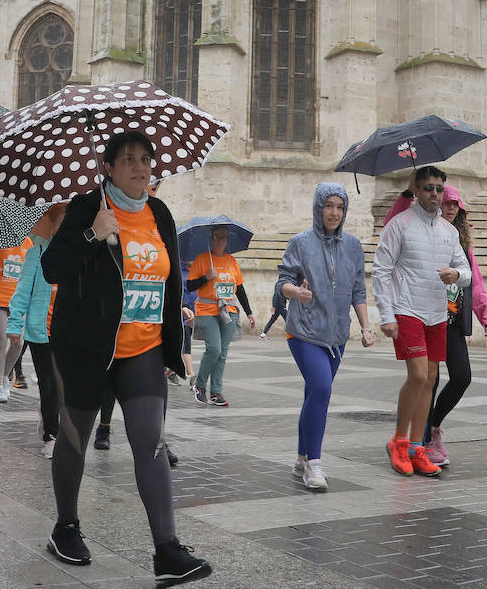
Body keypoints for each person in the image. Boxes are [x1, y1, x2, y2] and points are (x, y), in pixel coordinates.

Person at [41, 131, 210, 585]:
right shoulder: (86, 207)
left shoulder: (159, 212)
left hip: (144, 349)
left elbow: (169, 279)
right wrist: (92, 235)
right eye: (128, 159)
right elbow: (52, 268)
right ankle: (66, 527)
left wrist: (176, 341)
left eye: (145, 160)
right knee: (74, 437)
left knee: (150, 442)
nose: (139, 167)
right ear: (109, 168)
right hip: (88, 350)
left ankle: (167, 551)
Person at [373, 165, 471, 479]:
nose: (434, 194)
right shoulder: (398, 225)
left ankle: (418, 447)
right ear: (415, 189)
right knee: (417, 375)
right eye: (428, 187)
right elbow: (382, 271)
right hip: (407, 310)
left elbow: (465, 270)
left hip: (437, 314)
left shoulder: (449, 231)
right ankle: (398, 442)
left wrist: (457, 275)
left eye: (439, 189)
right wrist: (386, 315)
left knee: (430, 379)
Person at [276, 183, 374, 491]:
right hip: (303, 330)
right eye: (328, 206)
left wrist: (366, 326)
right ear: (319, 208)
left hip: (336, 334)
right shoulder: (300, 243)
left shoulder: (354, 246)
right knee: (321, 389)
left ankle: (302, 457)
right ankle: (314, 466)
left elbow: (358, 289)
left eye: (340, 207)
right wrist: (297, 292)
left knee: (313, 395)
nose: (334, 212)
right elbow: (283, 282)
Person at [421, 186, 487, 468]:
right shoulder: (425, 236)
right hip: (428, 318)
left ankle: (435, 426)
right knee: (430, 382)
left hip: (451, 322)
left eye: (457, 206)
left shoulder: (462, 247)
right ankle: (426, 439)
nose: (452, 209)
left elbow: (475, 283)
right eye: (448, 203)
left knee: (462, 377)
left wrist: (486, 315)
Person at [5, 202, 67, 457]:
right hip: (41, 331)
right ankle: (52, 434)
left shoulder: (80, 252)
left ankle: (50, 415)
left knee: (63, 385)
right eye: (62, 220)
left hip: (68, 331)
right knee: (49, 383)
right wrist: (15, 322)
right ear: (51, 223)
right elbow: (22, 290)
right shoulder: (38, 252)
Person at [187, 226, 255, 407]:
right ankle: (200, 385)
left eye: (223, 238)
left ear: (227, 240)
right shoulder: (202, 260)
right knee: (214, 349)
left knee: (223, 353)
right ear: (211, 239)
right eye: (216, 237)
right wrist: (206, 278)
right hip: (206, 310)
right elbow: (191, 285)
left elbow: (239, 288)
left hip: (229, 311)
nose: (219, 241)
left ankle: (216, 392)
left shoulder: (232, 261)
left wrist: (249, 312)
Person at [0, 237, 32, 402]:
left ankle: (5, 376)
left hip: (19, 301)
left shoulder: (27, 242)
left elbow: (30, 272)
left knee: (17, 342)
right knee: (2, 341)